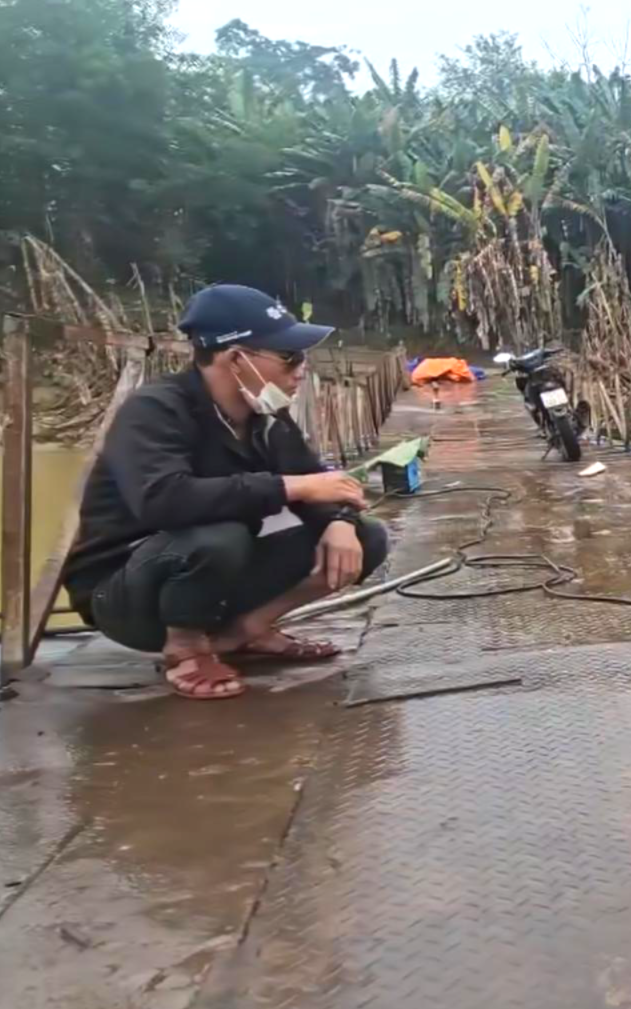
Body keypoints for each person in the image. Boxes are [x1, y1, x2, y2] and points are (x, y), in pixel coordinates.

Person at [62, 285, 390, 699]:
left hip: (210, 576)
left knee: (367, 535)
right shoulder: (155, 410)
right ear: (236, 359)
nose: (301, 370)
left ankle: (248, 629)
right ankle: (185, 648)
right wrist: (292, 487)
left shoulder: (267, 418)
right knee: (220, 534)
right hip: (128, 594)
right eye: (289, 357)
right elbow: (164, 500)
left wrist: (340, 520)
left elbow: (319, 484)